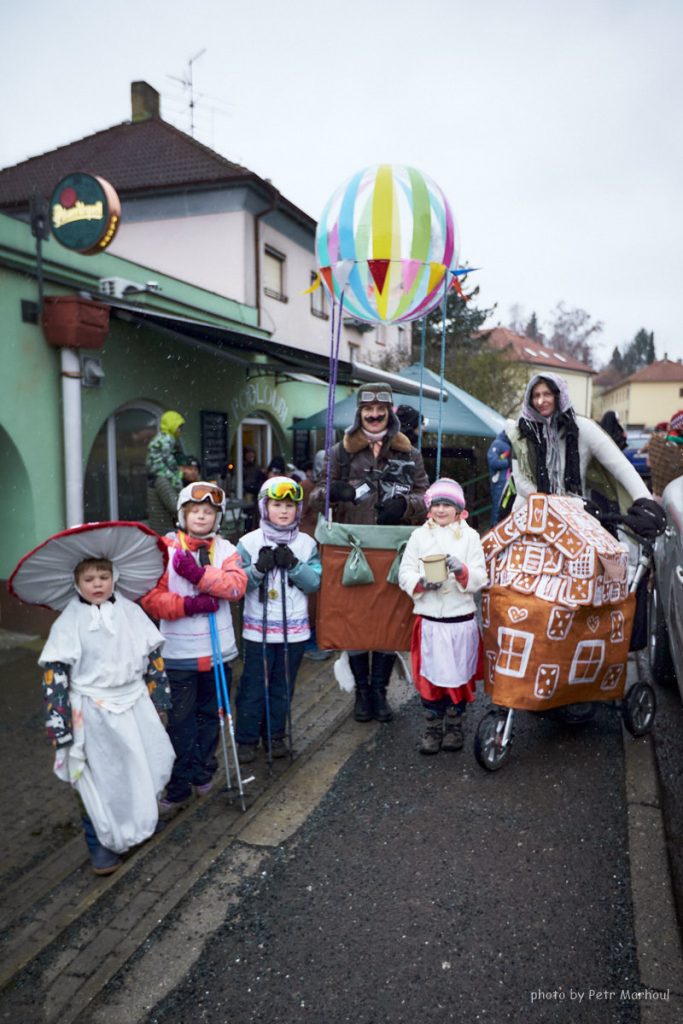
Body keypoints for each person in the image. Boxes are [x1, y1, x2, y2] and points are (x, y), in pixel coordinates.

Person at [39, 556, 175, 875]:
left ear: (115, 578)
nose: (97, 584)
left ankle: (138, 824)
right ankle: (100, 845)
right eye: (89, 579)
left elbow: (153, 658)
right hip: (92, 712)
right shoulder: (69, 621)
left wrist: (160, 700)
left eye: (103, 577)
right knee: (98, 778)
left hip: (134, 704)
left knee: (139, 767)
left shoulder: (131, 612)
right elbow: (55, 675)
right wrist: (59, 724)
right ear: (77, 584)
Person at [309, 382, 429, 722]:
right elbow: (315, 497)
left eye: (380, 410)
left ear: (389, 413)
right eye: (368, 410)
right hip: (353, 549)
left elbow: (427, 498)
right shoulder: (339, 452)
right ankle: (362, 694)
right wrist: (335, 492)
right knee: (356, 623)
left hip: (393, 549)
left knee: (388, 624)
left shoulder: (409, 453)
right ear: (359, 413)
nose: (374, 415)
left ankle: (380, 692)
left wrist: (405, 505)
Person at [141, 482, 248, 811]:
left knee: (210, 716)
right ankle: (178, 783)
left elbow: (236, 587)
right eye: (195, 511)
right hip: (179, 656)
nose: (201, 516)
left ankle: (203, 771)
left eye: (208, 512)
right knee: (180, 721)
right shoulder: (166, 549)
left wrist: (201, 576)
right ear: (183, 515)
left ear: (217, 517)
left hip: (217, 653)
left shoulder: (226, 549)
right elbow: (152, 599)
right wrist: (188, 605)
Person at [506, 373, 665, 540]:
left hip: (575, 520)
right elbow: (522, 483)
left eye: (547, 394)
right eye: (535, 395)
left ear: (559, 395)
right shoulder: (522, 433)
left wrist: (645, 501)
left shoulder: (582, 428)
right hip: (530, 518)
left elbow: (620, 466)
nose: (540, 401)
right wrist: (564, 504)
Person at [235, 476, 322, 762]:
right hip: (258, 630)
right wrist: (258, 569)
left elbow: (314, 582)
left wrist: (294, 565)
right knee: (253, 686)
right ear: (264, 507)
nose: (283, 511)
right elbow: (238, 585)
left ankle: (275, 735)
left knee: (282, 686)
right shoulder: (249, 542)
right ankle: (247, 738)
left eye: (289, 505)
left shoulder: (306, 543)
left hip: (293, 630)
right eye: (276, 505)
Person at [398, 479, 486, 754]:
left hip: (459, 620)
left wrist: (462, 571)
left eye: (447, 504)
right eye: (436, 504)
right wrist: (422, 583)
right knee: (431, 679)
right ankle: (433, 727)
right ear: (429, 508)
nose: (441, 510)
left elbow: (481, 576)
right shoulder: (418, 536)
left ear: (458, 508)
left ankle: (455, 726)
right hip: (430, 621)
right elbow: (405, 572)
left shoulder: (471, 537)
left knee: (458, 677)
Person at [148, 455, 201, 536]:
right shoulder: (163, 481)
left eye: (195, 469)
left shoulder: (165, 479)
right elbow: (175, 507)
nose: (180, 470)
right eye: (189, 468)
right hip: (165, 532)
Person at [486, 430, 513, 525]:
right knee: (497, 508)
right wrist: (509, 462)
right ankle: (494, 528)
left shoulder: (511, 444)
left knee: (505, 508)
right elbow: (493, 462)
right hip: (499, 483)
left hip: (509, 483)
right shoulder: (497, 444)